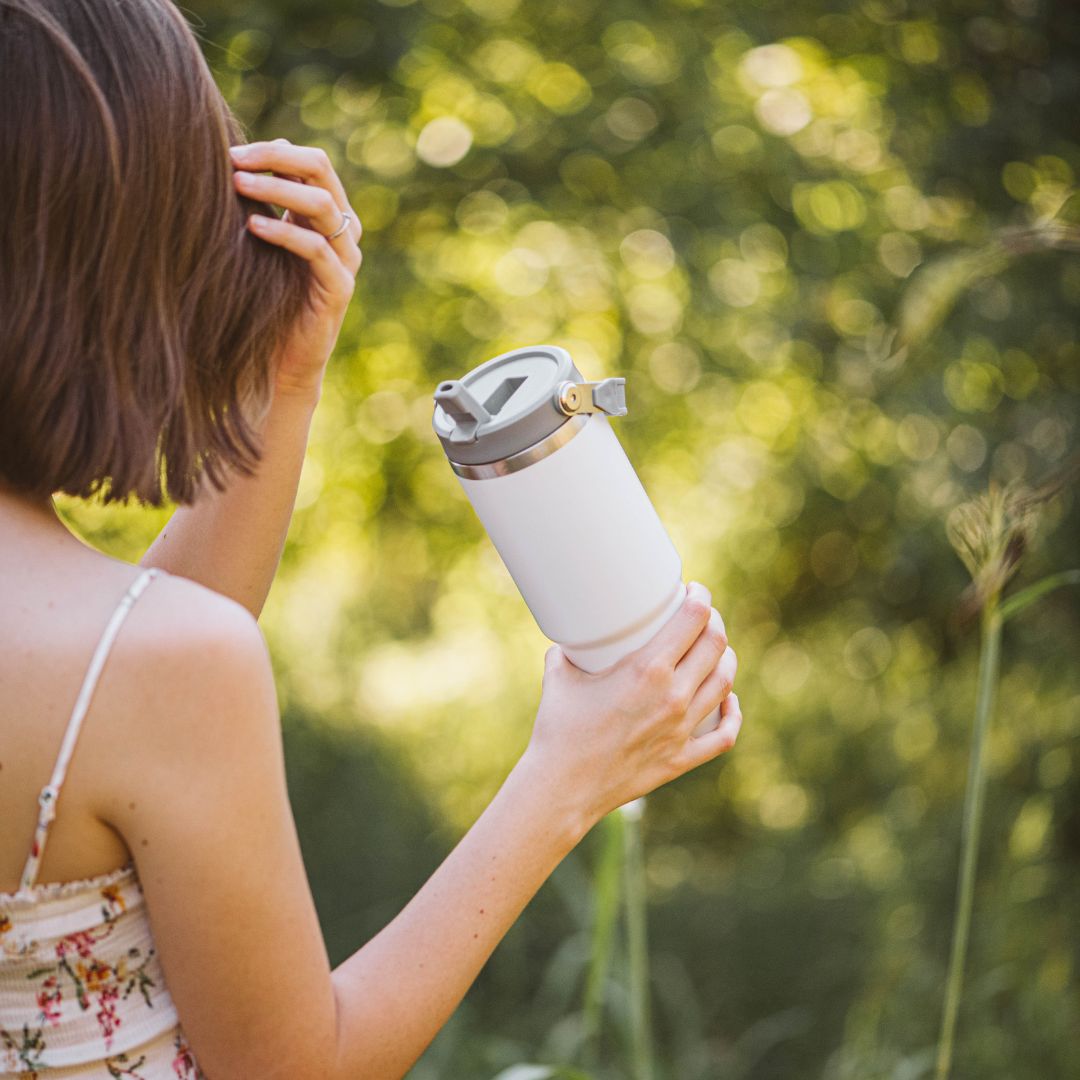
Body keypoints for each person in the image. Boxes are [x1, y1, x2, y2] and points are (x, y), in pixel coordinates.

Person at [0, 1, 743, 1076]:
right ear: (110, 256)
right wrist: (566, 778)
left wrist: (282, 389)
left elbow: (115, 697)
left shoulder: (124, 670)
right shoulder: (156, 670)